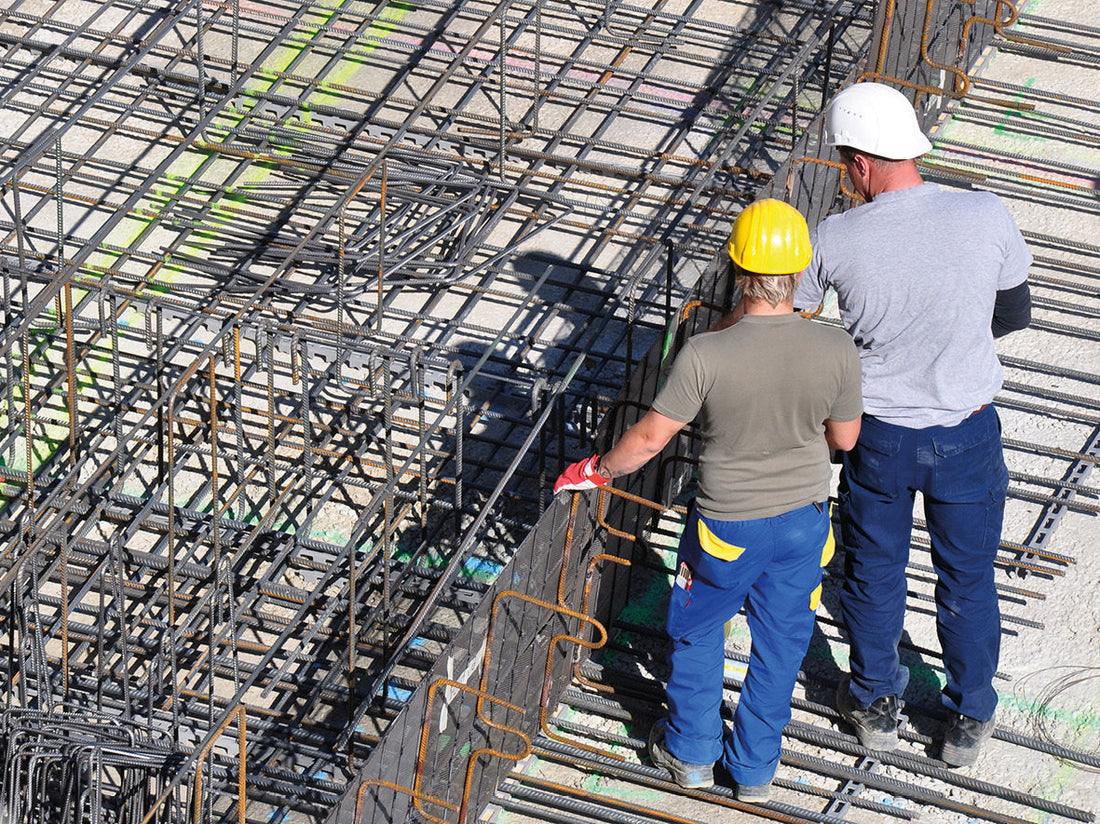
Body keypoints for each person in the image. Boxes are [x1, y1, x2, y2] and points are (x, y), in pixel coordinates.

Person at [555, 199, 862, 802]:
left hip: (727, 526)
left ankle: (692, 754)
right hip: (804, 521)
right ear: (800, 272)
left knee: (698, 632)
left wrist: (595, 470)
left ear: (737, 269)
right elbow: (844, 439)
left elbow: (648, 440)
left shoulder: (704, 354)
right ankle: (753, 773)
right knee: (781, 643)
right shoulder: (836, 347)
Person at [792, 81, 1032, 767]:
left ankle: (875, 705)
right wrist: (953, 335)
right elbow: (1014, 314)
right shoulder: (986, 214)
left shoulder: (836, 236)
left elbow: (796, 319)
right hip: (967, 433)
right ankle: (966, 719)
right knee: (967, 580)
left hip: (881, 438)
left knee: (872, 574)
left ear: (862, 162)